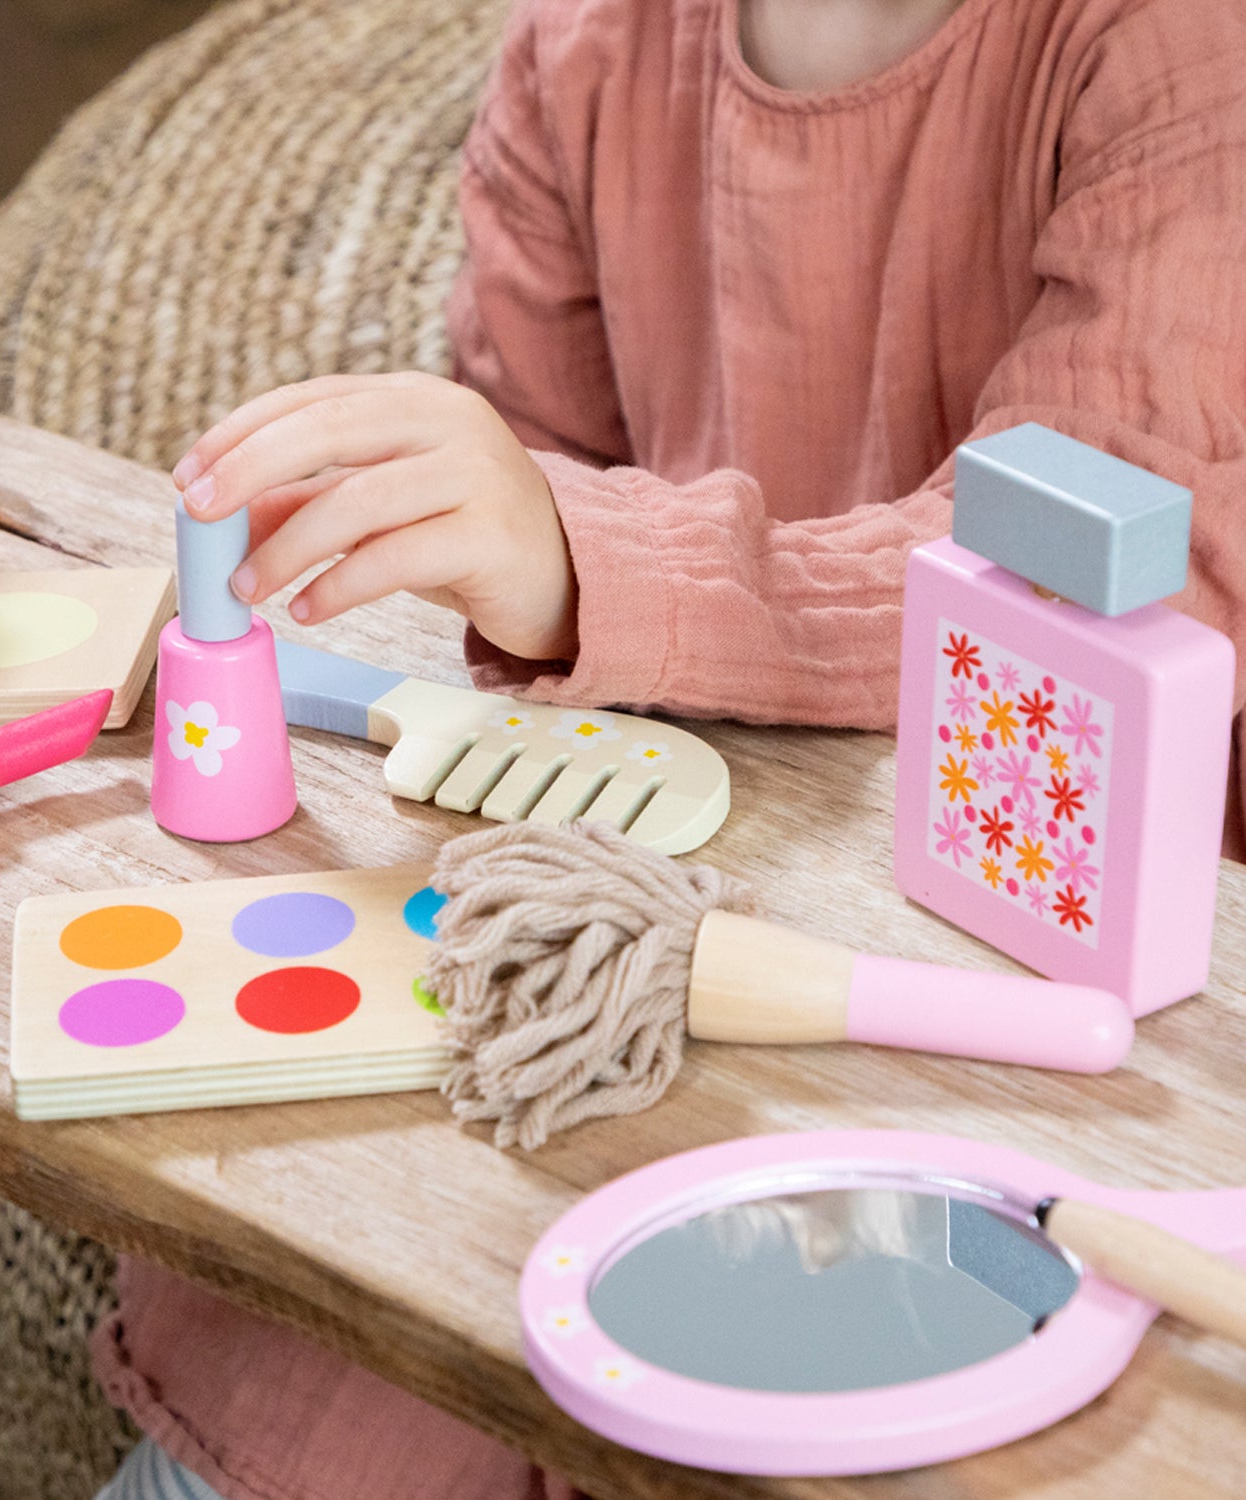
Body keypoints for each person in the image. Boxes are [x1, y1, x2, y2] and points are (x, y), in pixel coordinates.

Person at [95, 0, 1246, 1494]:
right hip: (664, 920)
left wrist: (585, 558)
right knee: (341, 1358)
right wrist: (488, 537)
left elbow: (1104, 566)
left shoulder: (1180, 50)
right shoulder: (586, 52)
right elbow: (511, 510)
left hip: (1046, 998)